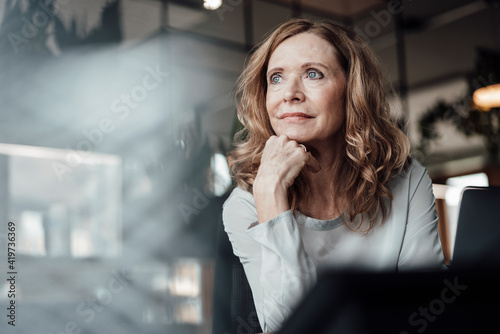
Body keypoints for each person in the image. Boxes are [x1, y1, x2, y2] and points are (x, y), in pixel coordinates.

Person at [222, 18, 446, 332]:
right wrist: (271, 200)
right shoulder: (246, 204)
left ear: (351, 90)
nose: (290, 94)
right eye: (276, 78)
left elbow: (428, 308)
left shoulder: (407, 180)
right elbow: (288, 326)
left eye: (313, 74)